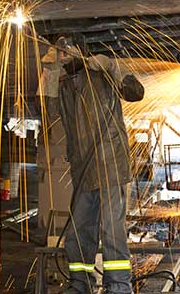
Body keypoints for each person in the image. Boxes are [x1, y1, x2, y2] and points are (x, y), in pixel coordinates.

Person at [43, 36, 144, 294]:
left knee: (112, 232)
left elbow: (136, 93)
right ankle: (80, 285)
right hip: (83, 170)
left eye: (66, 51)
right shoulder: (65, 85)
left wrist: (112, 67)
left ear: (80, 50)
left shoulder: (102, 76)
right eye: (58, 52)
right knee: (79, 233)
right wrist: (50, 81)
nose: (62, 56)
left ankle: (119, 287)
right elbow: (48, 117)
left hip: (110, 165)